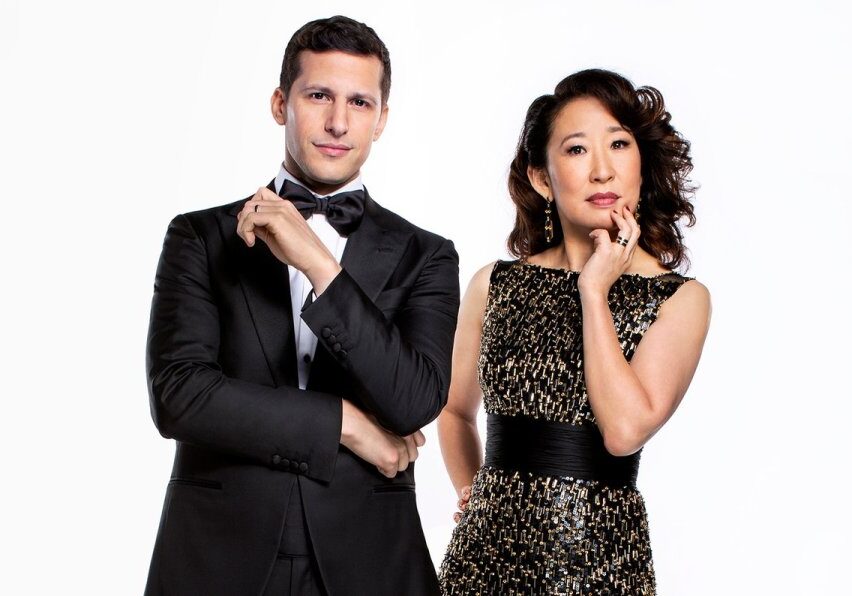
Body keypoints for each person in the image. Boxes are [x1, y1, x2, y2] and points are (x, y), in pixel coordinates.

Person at [144, 16, 458, 596]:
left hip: (370, 562)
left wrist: (319, 264)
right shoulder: (199, 237)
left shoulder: (428, 256)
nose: (339, 122)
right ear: (279, 102)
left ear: (382, 119)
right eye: (319, 95)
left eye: (360, 102)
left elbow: (415, 400)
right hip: (217, 556)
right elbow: (181, 396)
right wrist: (345, 424)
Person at [437, 69, 711, 594]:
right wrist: (473, 492)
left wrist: (594, 292)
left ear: (642, 164)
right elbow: (454, 409)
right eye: (578, 150)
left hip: (602, 561)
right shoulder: (494, 284)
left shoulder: (680, 298)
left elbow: (624, 429)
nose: (603, 170)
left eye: (620, 144)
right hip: (481, 561)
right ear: (542, 177)